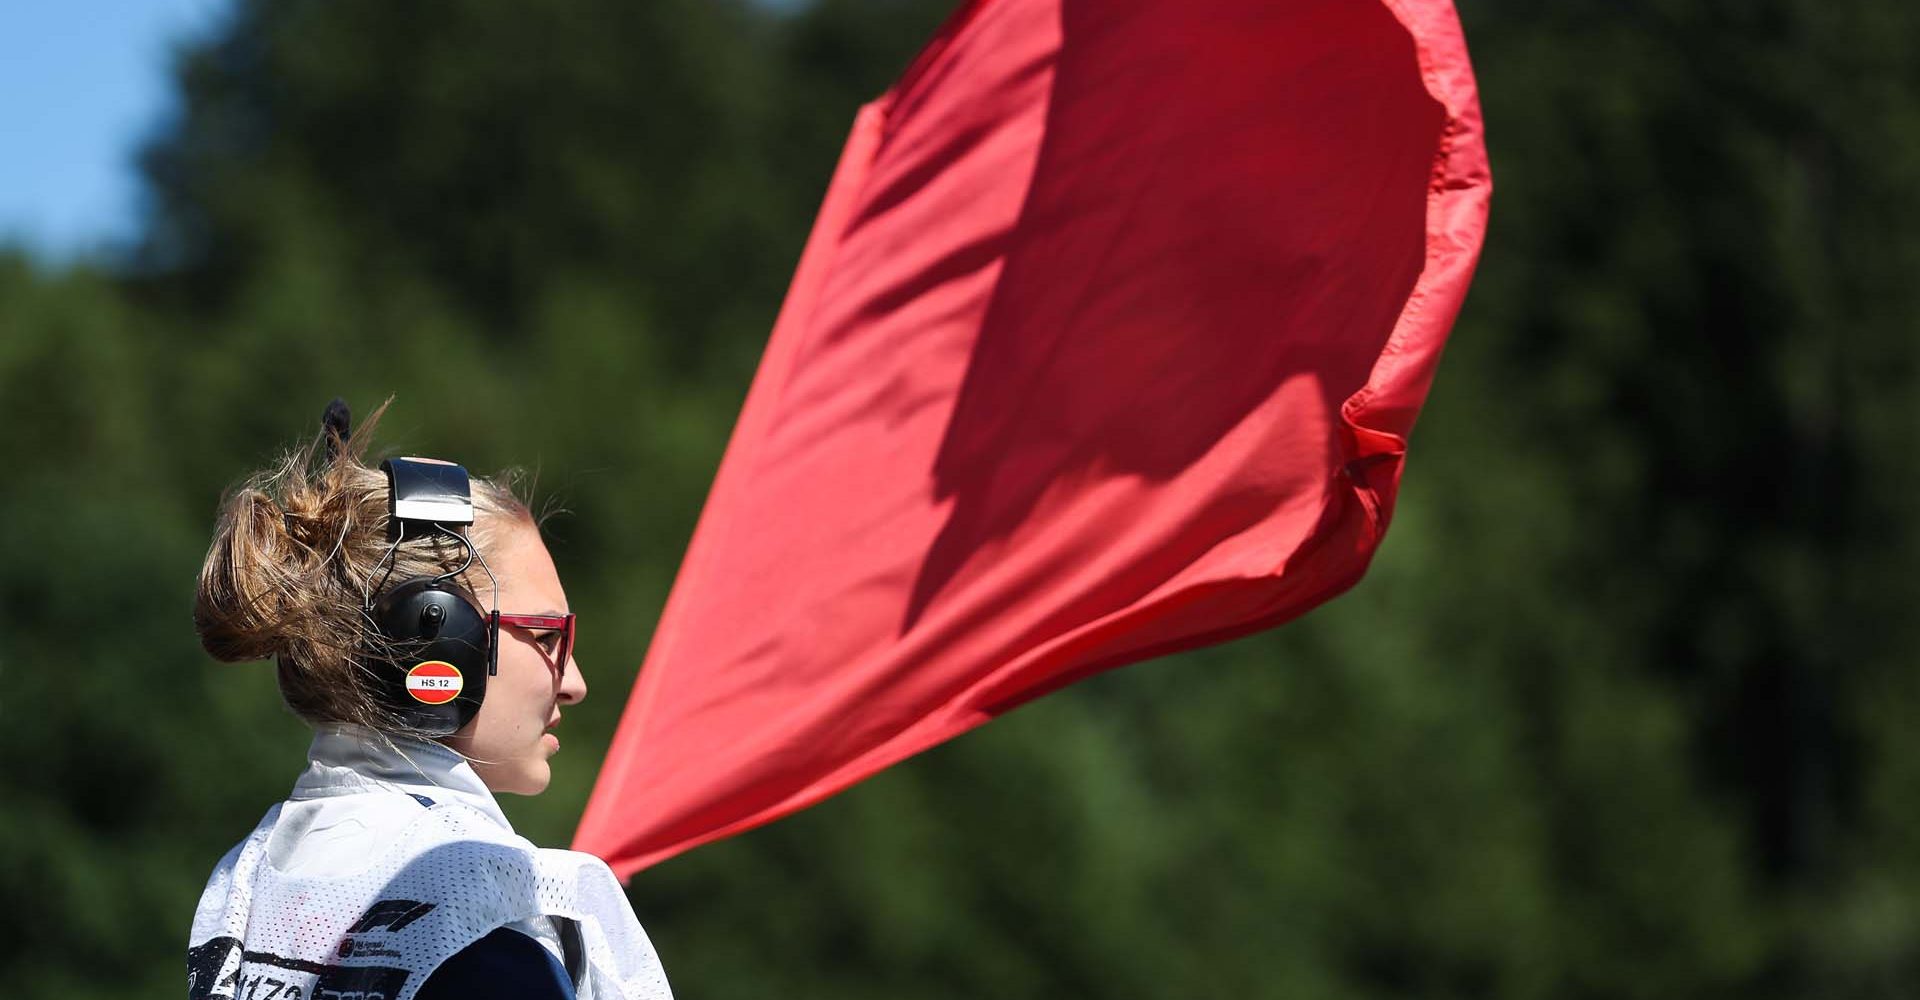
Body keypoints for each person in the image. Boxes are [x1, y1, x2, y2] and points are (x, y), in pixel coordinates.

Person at [186, 400, 671, 1000]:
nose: (574, 682)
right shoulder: (479, 928)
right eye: (547, 637)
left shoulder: (247, 882)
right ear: (433, 638)